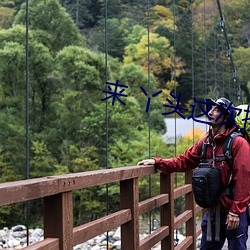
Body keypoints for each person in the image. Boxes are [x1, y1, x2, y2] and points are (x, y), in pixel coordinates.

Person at [137, 97, 250, 250]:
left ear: (226, 116)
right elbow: (184, 161)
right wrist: (157, 162)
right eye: (210, 109)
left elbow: (244, 178)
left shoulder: (238, 143)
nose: (210, 112)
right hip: (213, 211)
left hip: (233, 211)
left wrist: (236, 212)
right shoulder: (205, 143)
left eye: (216, 110)